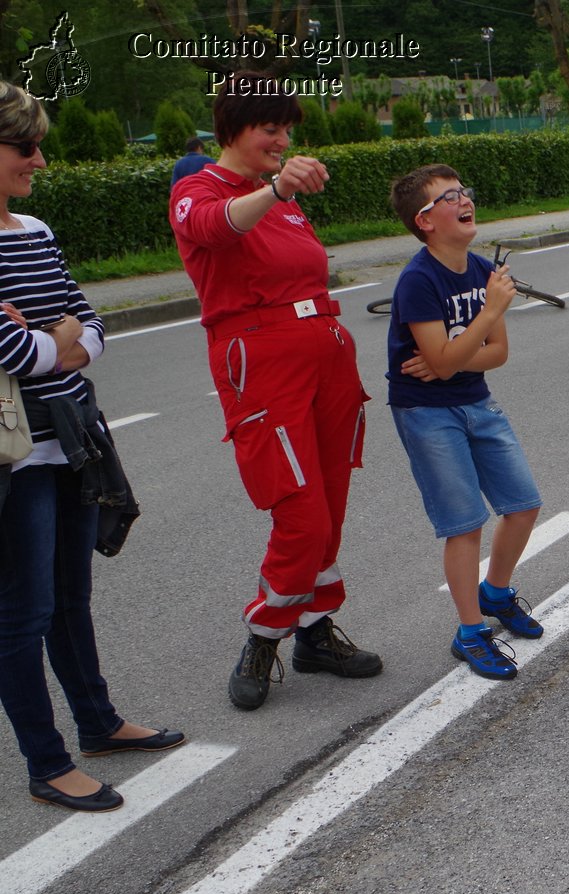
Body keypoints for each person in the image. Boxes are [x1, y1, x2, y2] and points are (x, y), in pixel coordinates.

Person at [170, 72, 381, 711]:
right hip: (260, 362)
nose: (283, 140)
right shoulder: (199, 186)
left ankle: (314, 633)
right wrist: (274, 188)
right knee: (299, 509)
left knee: (331, 500)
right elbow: (215, 227)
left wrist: (278, 190)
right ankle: (265, 635)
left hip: (325, 354)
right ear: (233, 129)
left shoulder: (281, 197)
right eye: (271, 129)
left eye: (287, 130)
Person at [0, 80, 184, 813]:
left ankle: (99, 724)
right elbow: (16, 352)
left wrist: (59, 341)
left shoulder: (35, 231)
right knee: (23, 613)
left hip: (71, 442)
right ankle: (47, 764)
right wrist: (57, 342)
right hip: (15, 459)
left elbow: (88, 320)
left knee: (72, 599)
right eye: (24, 146)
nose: (39, 159)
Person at [386, 164, 545, 680]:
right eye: (448, 197)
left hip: (475, 401)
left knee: (523, 505)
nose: (464, 199)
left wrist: (450, 359)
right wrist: (482, 319)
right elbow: (460, 348)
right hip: (425, 412)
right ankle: (469, 632)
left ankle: (495, 593)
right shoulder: (417, 280)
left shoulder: (480, 272)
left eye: (463, 192)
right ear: (425, 220)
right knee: (465, 525)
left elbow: (496, 354)